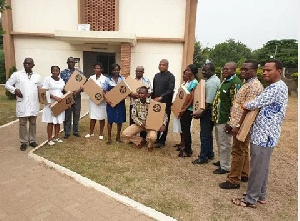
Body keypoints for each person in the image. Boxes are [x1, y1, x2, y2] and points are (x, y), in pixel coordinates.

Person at [232, 59, 288, 208]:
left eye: (269, 70)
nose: (265, 72)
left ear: (279, 72)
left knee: (257, 166)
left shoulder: (276, 88)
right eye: (264, 70)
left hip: (265, 136)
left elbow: (255, 103)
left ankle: (251, 199)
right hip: (263, 134)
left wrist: (244, 104)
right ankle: (260, 194)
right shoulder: (274, 86)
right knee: (262, 166)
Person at [219, 60, 264, 189]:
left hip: (243, 124)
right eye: (242, 69)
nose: (243, 71)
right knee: (243, 149)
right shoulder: (247, 83)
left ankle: (233, 180)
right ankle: (244, 173)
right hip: (239, 122)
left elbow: (248, 109)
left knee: (237, 150)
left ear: (255, 71)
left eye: (247, 69)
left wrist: (237, 126)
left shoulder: (254, 86)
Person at [5, 58, 42, 151]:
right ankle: (24, 142)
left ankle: (32, 140)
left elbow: (40, 89)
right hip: (22, 103)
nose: (27, 65)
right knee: (22, 124)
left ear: (33, 65)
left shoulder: (37, 76)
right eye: (25, 63)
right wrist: (15, 90)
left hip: (33, 104)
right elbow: (7, 84)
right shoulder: (17, 75)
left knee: (33, 123)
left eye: (29, 64)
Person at [211, 62, 242, 174]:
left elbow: (236, 104)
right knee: (220, 141)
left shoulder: (235, 83)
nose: (225, 71)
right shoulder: (225, 80)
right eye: (224, 69)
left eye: (228, 69)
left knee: (225, 143)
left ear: (234, 70)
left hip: (225, 118)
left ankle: (225, 166)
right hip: (218, 117)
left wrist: (231, 121)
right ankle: (222, 160)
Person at [123, 86, 167, 151]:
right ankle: (141, 141)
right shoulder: (136, 102)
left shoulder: (153, 103)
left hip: (150, 126)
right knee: (125, 133)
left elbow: (164, 114)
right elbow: (134, 116)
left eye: (142, 93)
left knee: (153, 137)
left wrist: (163, 124)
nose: (140, 95)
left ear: (146, 94)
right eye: (139, 93)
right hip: (139, 124)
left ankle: (150, 146)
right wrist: (140, 124)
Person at [192, 63, 220, 164]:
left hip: (207, 111)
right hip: (208, 110)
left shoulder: (212, 82)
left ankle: (203, 157)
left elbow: (208, 101)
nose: (203, 72)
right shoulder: (209, 80)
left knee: (204, 135)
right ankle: (210, 153)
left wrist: (200, 113)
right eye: (203, 70)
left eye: (206, 70)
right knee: (208, 134)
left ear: (212, 71)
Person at [152, 59, 175, 148]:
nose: (161, 66)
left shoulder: (171, 76)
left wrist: (162, 97)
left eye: (163, 65)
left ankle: (162, 140)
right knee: (156, 120)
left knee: (164, 121)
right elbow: (154, 89)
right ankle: (156, 138)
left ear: (167, 66)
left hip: (165, 103)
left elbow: (170, 90)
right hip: (156, 103)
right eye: (160, 64)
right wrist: (153, 99)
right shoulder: (156, 76)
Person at [178, 64, 198, 157]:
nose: (186, 72)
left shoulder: (194, 83)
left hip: (188, 110)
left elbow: (191, 98)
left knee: (186, 130)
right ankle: (184, 147)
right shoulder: (187, 82)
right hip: (182, 108)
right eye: (186, 70)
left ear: (193, 72)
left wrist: (184, 109)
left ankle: (188, 150)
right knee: (183, 129)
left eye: (188, 70)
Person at [60, 57, 83, 138]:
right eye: (69, 62)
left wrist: (77, 91)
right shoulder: (63, 73)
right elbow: (61, 84)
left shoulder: (79, 72)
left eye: (72, 62)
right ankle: (67, 132)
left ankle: (76, 131)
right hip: (67, 97)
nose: (71, 63)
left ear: (74, 63)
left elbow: (82, 85)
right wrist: (67, 92)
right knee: (67, 114)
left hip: (77, 96)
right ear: (67, 63)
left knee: (76, 114)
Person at [103, 63, 126, 144]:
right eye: (114, 70)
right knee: (110, 120)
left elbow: (125, 91)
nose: (116, 71)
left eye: (117, 70)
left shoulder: (123, 79)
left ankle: (118, 137)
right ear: (111, 70)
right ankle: (109, 138)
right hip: (111, 103)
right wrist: (107, 100)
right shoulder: (107, 79)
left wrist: (122, 98)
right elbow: (103, 91)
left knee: (119, 120)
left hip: (120, 103)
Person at [41, 66, 65, 145]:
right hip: (50, 103)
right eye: (53, 71)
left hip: (59, 103)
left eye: (57, 71)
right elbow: (44, 91)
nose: (55, 72)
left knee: (58, 121)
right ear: (51, 71)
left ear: (59, 72)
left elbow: (63, 90)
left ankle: (57, 137)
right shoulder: (47, 79)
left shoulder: (61, 80)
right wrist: (54, 97)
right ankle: (49, 139)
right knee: (50, 121)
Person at [85, 62, 107, 140]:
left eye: (98, 68)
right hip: (92, 100)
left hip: (101, 101)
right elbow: (87, 87)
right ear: (94, 69)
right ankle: (91, 132)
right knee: (92, 117)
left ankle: (101, 133)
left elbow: (106, 89)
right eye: (95, 68)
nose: (97, 69)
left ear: (101, 69)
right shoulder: (91, 78)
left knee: (101, 117)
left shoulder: (105, 79)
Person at [129, 66, 152, 140]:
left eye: (140, 71)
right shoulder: (131, 81)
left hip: (144, 105)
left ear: (143, 72)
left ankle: (143, 138)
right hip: (133, 103)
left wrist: (142, 96)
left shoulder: (147, 81)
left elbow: (150, 92)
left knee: (143, 120)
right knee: (133, 121)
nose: (138, 72)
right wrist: (132, 94)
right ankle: (133, 138)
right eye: (137, 71)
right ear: (135, 71)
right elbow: (127, 92)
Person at [173, 69, 188, 150]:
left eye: (185, 74)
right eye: (183, 74)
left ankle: (184, 143)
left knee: (184, 128)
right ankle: (181, 142)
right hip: (179, 108)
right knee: (180, 127)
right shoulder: (183, 84)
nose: (184, 76)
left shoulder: (191, 84)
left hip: (185, 110)